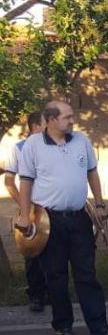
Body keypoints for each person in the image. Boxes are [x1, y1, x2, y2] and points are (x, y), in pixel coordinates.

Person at [16, 100, 108, 335]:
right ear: (51, 120)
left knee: (87, 273)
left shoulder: (81, 140)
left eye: (72, 116)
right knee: (56, 275)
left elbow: (92, 172)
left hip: (79, 217)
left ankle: (98, 325)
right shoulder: (33, 145)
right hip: (48, 221)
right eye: (67, 117)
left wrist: (100, 204)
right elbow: (26, 181)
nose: (73, 120)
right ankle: (63, 325)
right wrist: (24, 215)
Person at [4, 111, 48, 312]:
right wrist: (25, 206)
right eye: (46, 124)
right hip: (31, 209)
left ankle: (53, 293)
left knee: (54, 253)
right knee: (32, 252)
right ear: (36, 126)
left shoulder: (53, 147)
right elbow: (9, 182)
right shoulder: (19, 148)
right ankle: (36, 295)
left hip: (51, 207)